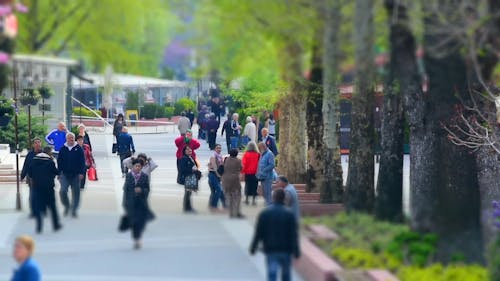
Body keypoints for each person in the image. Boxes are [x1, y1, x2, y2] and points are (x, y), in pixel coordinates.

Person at [249, 189, 300, 281]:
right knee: (286, 274)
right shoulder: (289, 214)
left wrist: (253, 247)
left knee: (272, 273)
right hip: (286, 249)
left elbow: (259, 232)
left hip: (271, 248)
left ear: (273, 198)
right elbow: (293, 234)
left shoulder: (265, 213)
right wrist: (296, 251)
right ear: (284, 199)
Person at [28, 147, 62, 233]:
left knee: (38, 207)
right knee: (52, 207)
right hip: (49, 188)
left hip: (37, 188)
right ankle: (56, 225)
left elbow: (30, 174)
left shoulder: (33, 162)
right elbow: (56, 172)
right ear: (48, 153)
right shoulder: (50, 162)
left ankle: (39, 227)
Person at [122, 158, 154, 249]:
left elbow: (147, 189)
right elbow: (126, 190)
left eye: (139, 166)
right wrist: (125, 202)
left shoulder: (144, 176)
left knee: (140, 222)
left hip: (141, 202)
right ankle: (137, 239)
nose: (137, 167)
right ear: (133, 167)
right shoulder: (129, 176)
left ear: (141, 167)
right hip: (131, 202)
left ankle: (138, 236)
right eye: (136, 166)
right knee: (135, 221)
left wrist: (142, 190)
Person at [57, 133, 85, 218]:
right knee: (63, 191)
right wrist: (59, 173)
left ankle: (74, 210)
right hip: (64, 174)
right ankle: (67, 206)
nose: (71, 139)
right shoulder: (63, 149)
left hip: (76, 175)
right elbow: (59, 162)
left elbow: (82, 162)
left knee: (76, 193)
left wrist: (81, 173)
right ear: (66, 139)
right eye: (69, 138)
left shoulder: (79, 149)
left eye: (72, 138)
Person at [20, 138, 43, 218]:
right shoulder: (30, 154)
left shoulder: (44, 154)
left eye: (39, 142)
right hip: (31, 178)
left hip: (42, 178)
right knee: (32, 195)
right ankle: (33, 211)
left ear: (41, 144)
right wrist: (22, 176)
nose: (37, 144)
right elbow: (26, 165)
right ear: (33, 145)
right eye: (35, 143)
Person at [222, 148, 244, 219]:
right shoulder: (238, 161)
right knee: (237, 197)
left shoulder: (226, 159)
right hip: (235, 180)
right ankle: (237, 212)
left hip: (226, 180)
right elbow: (241, 168)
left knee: (229, 197)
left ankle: (231, 213)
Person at [178, 146, 199, 213]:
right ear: (184, 151)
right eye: (187, 149)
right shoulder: (183, 158)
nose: (189, 150)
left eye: (190, 149)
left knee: (189, 193)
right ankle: (187, 208)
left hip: (191, 178)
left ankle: (188, 207)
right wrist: (192, 170)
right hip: (187, 178)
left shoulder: (191, 158)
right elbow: (182, 169)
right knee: (187, 193)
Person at [207, 144, 226, 212]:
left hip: (217, 175)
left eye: (220, 148)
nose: (219, 149)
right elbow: (215, 167)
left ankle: (224, 205)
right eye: (217, 148)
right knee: (218, 190)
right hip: (213, 174)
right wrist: (218, 175)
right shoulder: (213, 156)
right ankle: (214, 205)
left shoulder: (220, 156)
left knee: (217, 191)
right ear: (214, 149)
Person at [242, 141, 260, 206]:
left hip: (248, 173)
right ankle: (253, 201)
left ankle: (247, 199)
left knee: (247, 186)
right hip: (256, 173)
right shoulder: (258, 154)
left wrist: (242, 172)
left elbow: (244, 164)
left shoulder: (246, 154)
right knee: (254, 186)